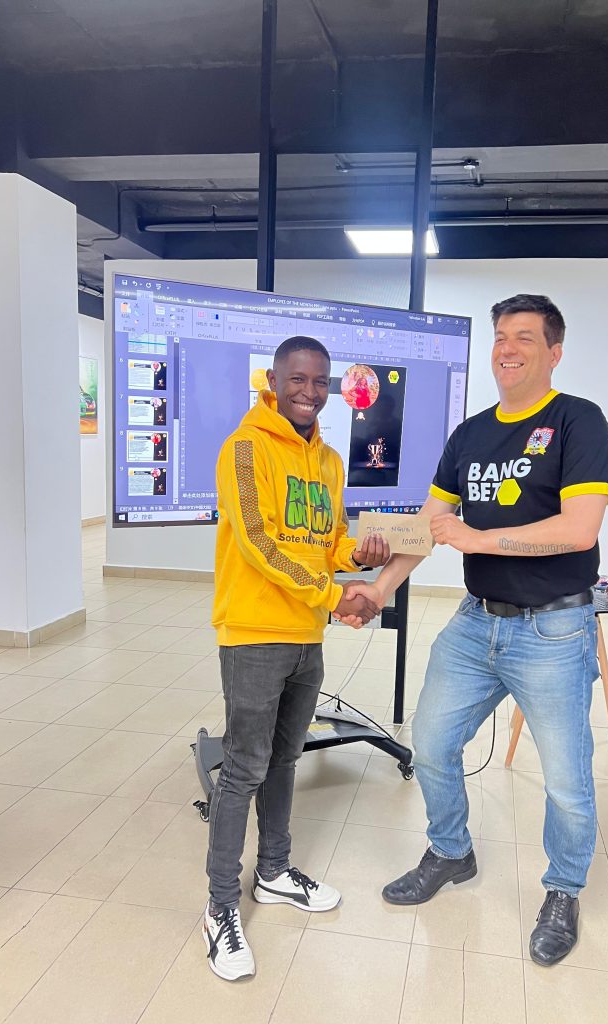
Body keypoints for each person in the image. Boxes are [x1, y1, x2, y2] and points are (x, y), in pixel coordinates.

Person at [338, 294, 608, 966]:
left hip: (554, 629)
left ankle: (563, 889)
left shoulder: (577, 420)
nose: (507, 349)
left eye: (524, 337)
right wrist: (379, 588)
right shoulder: (469, 435)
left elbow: (580, 528)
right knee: (432, 743)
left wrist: (478, 538)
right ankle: (450, 851)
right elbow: (427, 526)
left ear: (554, 351)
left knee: (566, 780)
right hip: (476, 624)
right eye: (499, 337)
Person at [205, 335, 389, 982]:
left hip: (307, 636)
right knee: (243, 769)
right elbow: (258, 542)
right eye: (298, 380)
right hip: (254, 633)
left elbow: (326, 538)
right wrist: (332, 594)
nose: (309, 392)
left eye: (319, 382)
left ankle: (275, 871)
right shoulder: (245, 448)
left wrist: (358, 556)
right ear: (274, 382)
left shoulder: (330, 460)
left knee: (285, 759)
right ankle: (220, 906)